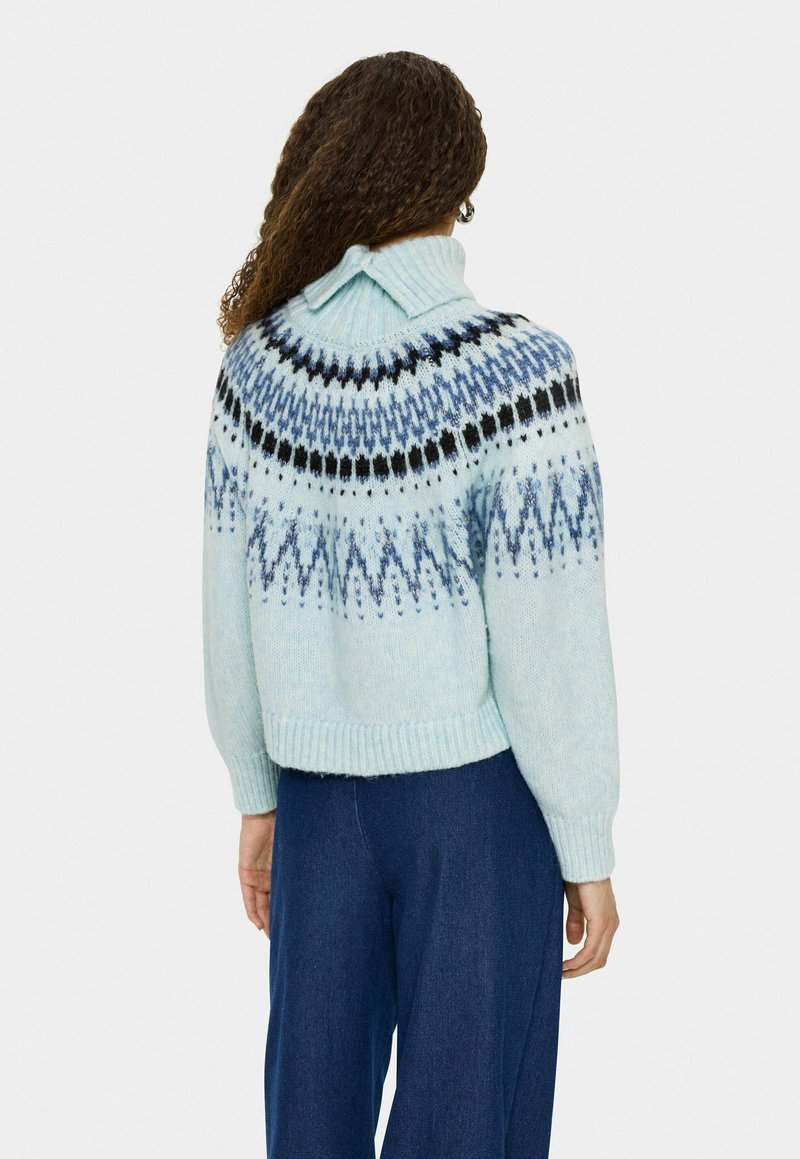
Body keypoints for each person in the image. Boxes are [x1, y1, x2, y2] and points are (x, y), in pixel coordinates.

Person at [202, 49, 621, 1159]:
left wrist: (256, 793)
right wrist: (584, 840)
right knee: (469, 1128)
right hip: (473, 812)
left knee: (309, 1124)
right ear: (457, 185)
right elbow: (549, 642)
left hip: (316, 804)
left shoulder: (257, 368)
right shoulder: (518, 373)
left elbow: (225, 611)